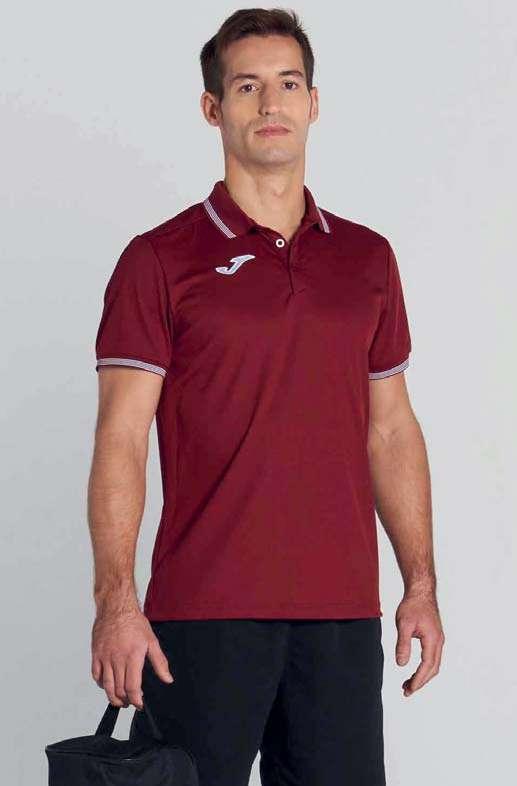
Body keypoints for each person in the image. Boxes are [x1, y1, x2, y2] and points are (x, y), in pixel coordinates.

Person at [88, 8, 445, 785]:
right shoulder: (159, 260)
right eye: (246, 86)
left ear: (313, 103)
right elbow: (121, 437)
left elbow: (390, 430)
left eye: (287, 83)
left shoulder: (367, 259)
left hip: (341, 617)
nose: (270, 103)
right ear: (212, 108)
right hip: (201, 614)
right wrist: (116, 602)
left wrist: (419, 586)